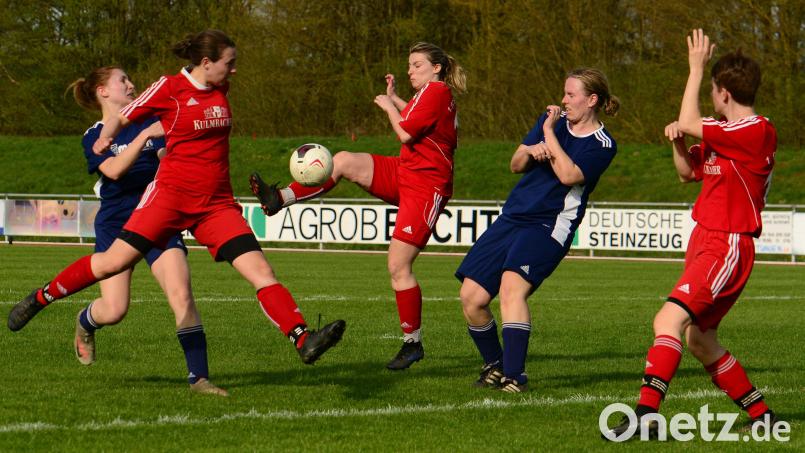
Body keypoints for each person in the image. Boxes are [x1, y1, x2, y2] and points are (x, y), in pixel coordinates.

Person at [8, 30, 345, 371]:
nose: (234, 70)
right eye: (229, 63)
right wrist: (106, 137)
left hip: (216, 205)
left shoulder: (221, 88)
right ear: (206, 62)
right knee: (111, 265)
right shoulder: (169, 88)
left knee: (260, 271)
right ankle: (41, 297)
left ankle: (303, 339)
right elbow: (124, 116)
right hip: (168, 200)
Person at [603, 30, 779, 440]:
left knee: (668, 319)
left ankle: (646, 416)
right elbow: (687, 173)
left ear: (723, 92)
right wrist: (679, 143)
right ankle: (763, 416)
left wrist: (695, 67)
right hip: (707, 240)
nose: (710, 95)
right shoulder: (724, 132)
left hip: (727, 242)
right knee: (699, 340)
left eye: (713, 89)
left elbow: (687, 118)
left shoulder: (756, 130)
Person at [249, 42, 465, 370]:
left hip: (426, 186)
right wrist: (395, 98)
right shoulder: (430, 93)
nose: (410, 71)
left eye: (417, 65)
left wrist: (388, 106)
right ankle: (279, 199)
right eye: (409, 65)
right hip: (406, 172)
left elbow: (406, 133)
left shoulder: (436, 91)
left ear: (436, 68)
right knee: (344, 160)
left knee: (398, 266)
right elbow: (416, 118)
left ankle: (412, 344)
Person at [64, 66, 226, 395]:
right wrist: (143, 138)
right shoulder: (94, 135)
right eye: (122, 80)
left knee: (181, 294)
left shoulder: (153, 120)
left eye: (129, 78)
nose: (131, 83)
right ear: (102, 91)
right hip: (116, 223)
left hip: (157, 216)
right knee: (115, 309)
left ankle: (199, 378)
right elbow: (114, 170)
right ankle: (85, 321)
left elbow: (169, 158)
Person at [456, 68, 619, 392]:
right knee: (471, 297)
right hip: (513, 216)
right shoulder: (552, 120)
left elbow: (569, 176)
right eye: (564, 93)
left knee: (511, 289)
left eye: (571, 94)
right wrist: (531, 149)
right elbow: (515, 164)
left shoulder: (603, 143)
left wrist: (548, 133)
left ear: (592, 100)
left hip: (549, 223)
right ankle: (495, 364)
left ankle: (515, 376)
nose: (564, 100)